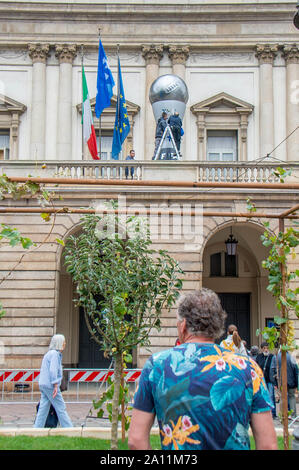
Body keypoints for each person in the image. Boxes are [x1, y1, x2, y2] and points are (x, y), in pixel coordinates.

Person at [128, 289, 277, 451]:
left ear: (183, 325)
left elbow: (136, 441)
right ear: (218, 326)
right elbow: (268, 445)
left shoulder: (157, 366)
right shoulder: (249, 368)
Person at [34, 334, 73, 428]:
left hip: (43, 384)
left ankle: (37, 428)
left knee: (43, 407)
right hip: (50, 385)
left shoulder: (49, 354)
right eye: (63, 342)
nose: (65, 344)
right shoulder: (55, 355)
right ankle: (68, 428)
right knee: (60, 406)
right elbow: (53, 370)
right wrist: (56, 385)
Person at [270, 349, 298, 419]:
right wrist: (296, 383)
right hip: (291, 381)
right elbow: (296, 371)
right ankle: (293, 415)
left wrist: (274, 383)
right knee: (292, 397)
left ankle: (283, 415)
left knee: (282, 398)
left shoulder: (276, 357)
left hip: (281, 381)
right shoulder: (291, 357)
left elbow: (272, 369)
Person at [256, 342, 277, 419]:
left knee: (271, 396)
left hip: (270, 380)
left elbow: (274, 368)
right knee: (262, 396)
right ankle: (264, 412)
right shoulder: (259, 357)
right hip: (261, 380)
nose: (266, 349)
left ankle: (273, 413)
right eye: (264, 348)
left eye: (267, 348)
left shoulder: (272, 357)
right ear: (261, 349)